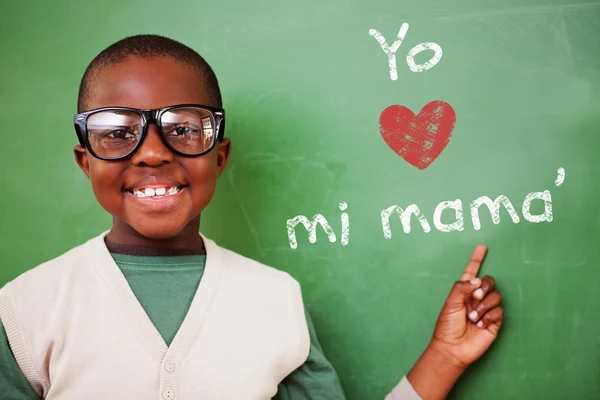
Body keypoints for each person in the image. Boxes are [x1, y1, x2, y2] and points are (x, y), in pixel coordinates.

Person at [0, 34, 503, 400]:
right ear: (85, 160)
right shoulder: (24, 310)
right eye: (116, 131)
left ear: (218, 156)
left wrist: (445, 357)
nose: (152, 153)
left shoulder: (275, 298)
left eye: (184, 127)